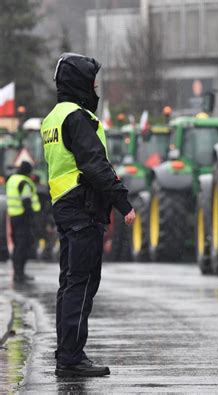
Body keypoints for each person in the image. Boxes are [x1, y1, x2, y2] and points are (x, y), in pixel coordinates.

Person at [40, 53, 136, 377]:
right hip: (82, 209)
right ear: (80, 83)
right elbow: (95, 164)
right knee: (81, 283)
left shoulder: (53, 118)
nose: (95, 89)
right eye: (92, 83)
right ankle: (71, 359)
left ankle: (66, 353)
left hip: (65, 208)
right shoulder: (77, 118)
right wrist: (123, 203)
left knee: (69, 283)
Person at [6, 161, 41, 283]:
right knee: (23, 245)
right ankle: (20, 273)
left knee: (17, 245)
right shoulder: (24, 183)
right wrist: (32, 218)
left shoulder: (12, 179)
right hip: (23, 218)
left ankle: (17, 272)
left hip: (13, 216)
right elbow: (26, 201)